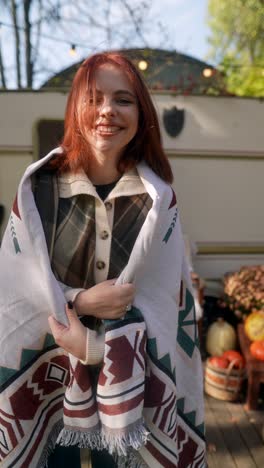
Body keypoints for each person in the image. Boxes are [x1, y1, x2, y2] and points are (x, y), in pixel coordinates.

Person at [0, 52, 206, 468]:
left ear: (141, 112)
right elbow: (16, 293)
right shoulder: (37, 189)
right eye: (93, 98)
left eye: (123, 99)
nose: (107, 110)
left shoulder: (157, 201)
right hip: (47, 382)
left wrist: (96, 349)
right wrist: (80, 301)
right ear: (75, 107)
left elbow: (168, 314)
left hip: (135, 395)